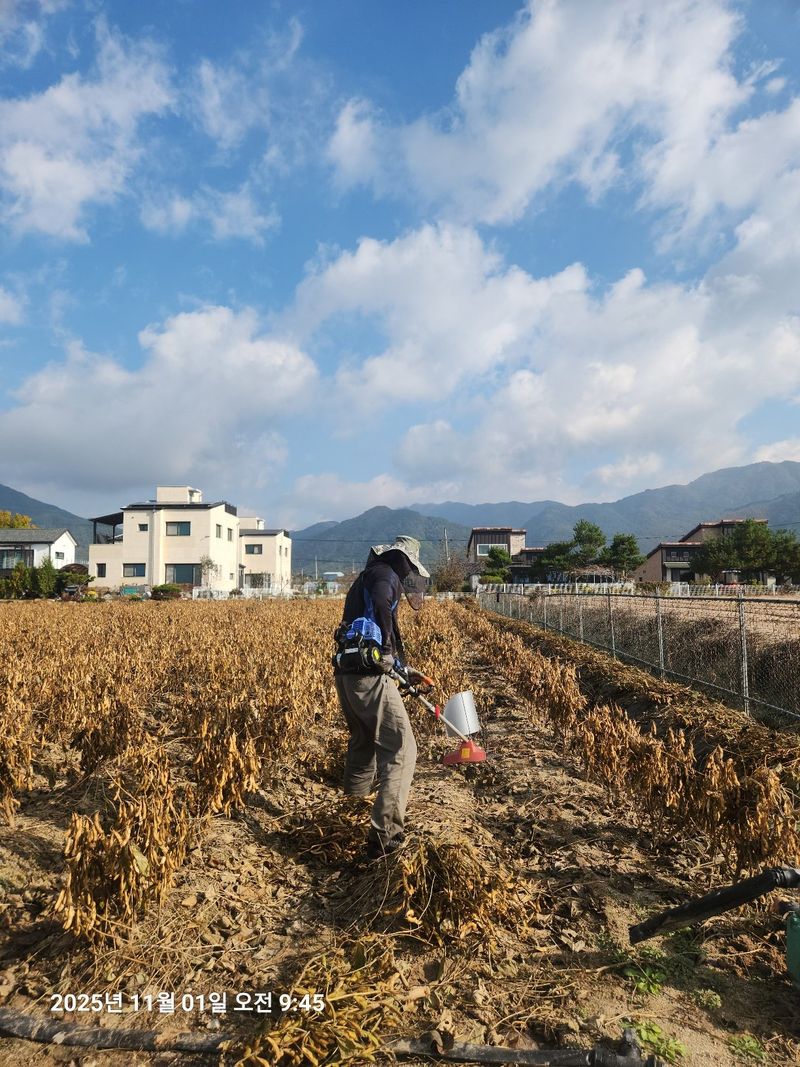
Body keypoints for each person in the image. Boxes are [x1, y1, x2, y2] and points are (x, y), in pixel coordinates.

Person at [333, 535, 430, 860]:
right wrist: (388, 655)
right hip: (369, 676)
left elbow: (369, 628)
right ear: (402, 559)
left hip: (348, 675)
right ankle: (385, 837)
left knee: (363, 743)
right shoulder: (385, 577)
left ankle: (348, 817)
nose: (408, 573)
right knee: (402, 748)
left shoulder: (369, 576)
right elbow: (381, 617)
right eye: (409, 565)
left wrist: (403, 669)